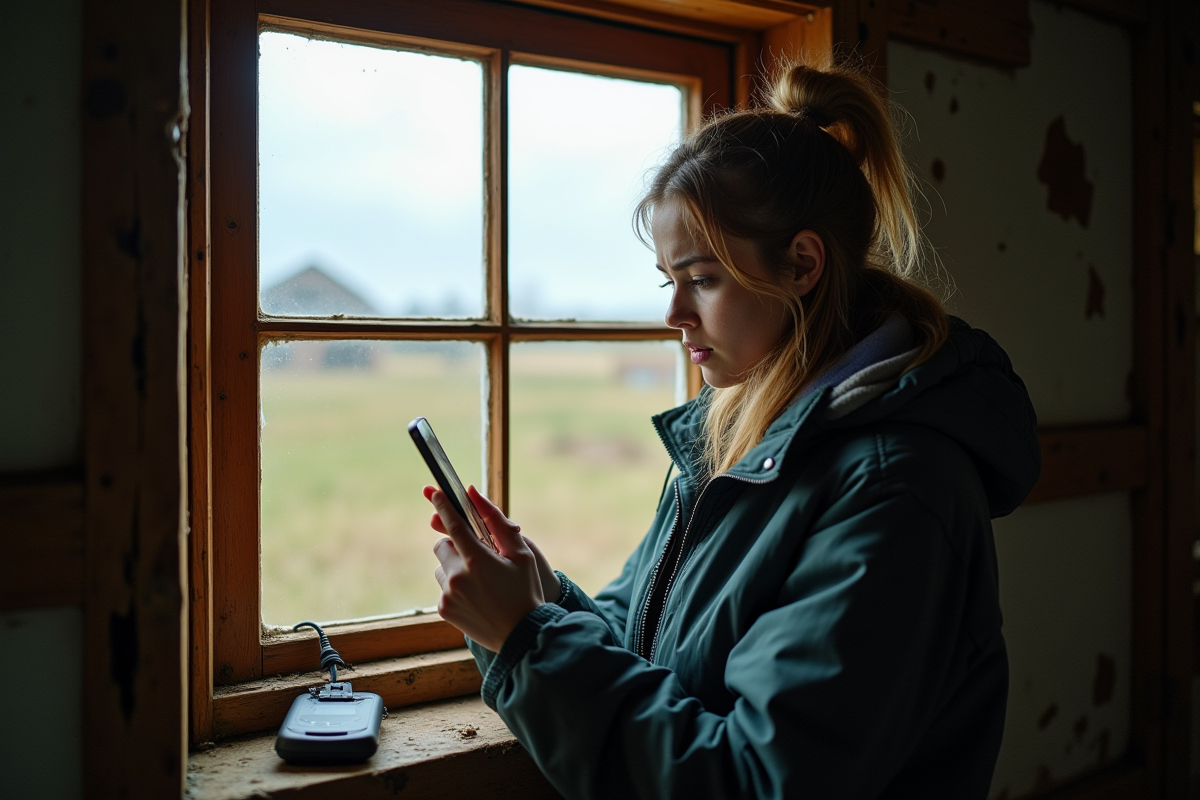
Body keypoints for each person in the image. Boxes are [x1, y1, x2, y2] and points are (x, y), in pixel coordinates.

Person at [423, 58, 1040, 799]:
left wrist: (526, 640)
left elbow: (754, 780)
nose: (673, 315)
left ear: (802, 264)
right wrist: (542, 597)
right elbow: (650, 643)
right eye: (668, 281)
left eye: (702, 279)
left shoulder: (894, 489)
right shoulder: (737, 437)